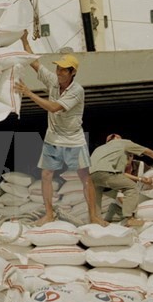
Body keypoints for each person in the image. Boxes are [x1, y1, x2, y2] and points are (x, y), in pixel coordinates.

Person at [14, 29, 107, 226]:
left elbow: (54, 107)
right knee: (46, 175)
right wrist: (24, 40)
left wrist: (29, 93)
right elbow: (34, 62)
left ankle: (94, 216)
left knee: (85, 177)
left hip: (74, 139)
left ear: (72, 72)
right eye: (58, 69)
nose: (59, 72)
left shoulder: (76, 91)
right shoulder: (54, 81)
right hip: (53, 138)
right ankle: (49, 214)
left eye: (64, 70)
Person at [90, 133, 153, 227]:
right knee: (131, 188)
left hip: (91, 175)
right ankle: (130, 218)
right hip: (107, 173)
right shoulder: (124, 143)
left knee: (96, 199)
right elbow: (148, 152)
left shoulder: (99, 148)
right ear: (119, 139)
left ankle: (96, 220)